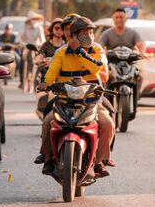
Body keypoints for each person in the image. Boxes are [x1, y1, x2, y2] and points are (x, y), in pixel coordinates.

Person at [37, 16, 115, 177]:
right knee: (47, 122)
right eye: (84, 33)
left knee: (108, 123)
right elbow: (52, 73)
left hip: (91, 101)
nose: (89, 36)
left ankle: (100, 161)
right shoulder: (61, 52)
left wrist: (80, 52)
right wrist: (45, 83)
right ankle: (48, 158)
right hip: (65, 101)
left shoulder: (97, 50)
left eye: (91, 32)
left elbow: (95, 69)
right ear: (73, 36)